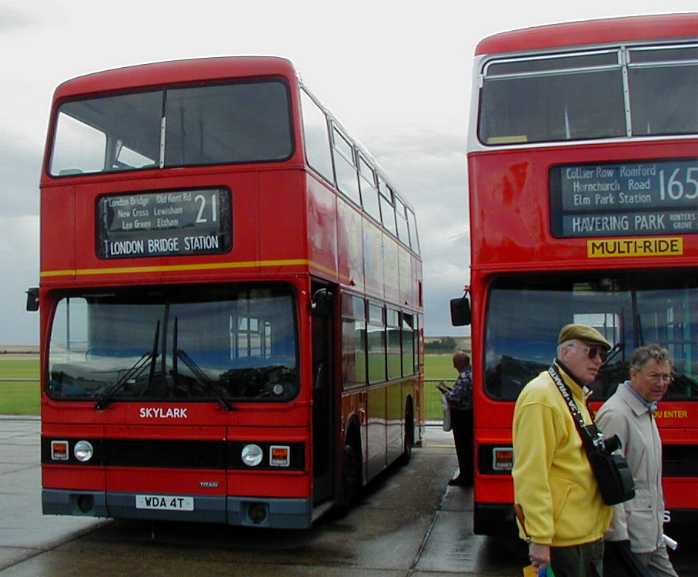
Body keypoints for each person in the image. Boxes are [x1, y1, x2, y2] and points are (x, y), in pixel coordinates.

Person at [512, 324, 613, 577]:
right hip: (562, 542)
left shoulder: (573, 394)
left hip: (585, 535)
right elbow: (531, 475)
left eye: (602, 354)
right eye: (592, 353)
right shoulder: (542, 398)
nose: (599, 361)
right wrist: (540, 537)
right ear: (566, 352)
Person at [596, 345, 678, 577]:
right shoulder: (616, 415)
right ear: (633, 374)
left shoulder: (645, 409)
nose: (661, 384)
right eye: (654, 376)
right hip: (631, 538)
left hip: (652, 533)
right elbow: (607, 481)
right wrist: (618, 538)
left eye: (666, 377)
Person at [438, 350, 473, 486]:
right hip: (469, 415)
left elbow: (456, 397)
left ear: (460, 363)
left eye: (455, 363)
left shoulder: (464, 377)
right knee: (468, 449)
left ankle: (465, 477)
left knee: (463, 449)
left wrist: (445, 392)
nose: (454, 366)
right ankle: (468, 475)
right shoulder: (471, 374)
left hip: (462, 417)